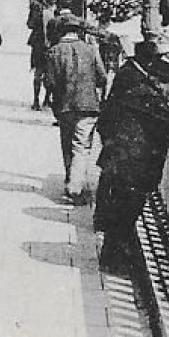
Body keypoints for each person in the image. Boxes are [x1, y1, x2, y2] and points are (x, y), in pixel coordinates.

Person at [92, 40, 169, 270]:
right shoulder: (147, 97)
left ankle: (112, 258)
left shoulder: (136, 92)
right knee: (124, 215)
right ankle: (115, 261)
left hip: (118, 161)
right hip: (130, 167)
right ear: (158, 82)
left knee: (117, 214)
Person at [45, 13, 107, 201]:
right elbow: (102, 78)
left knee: (66, 142)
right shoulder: (90, 50)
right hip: (88, 104)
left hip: (64, 105)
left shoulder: (53, 52)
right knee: (81, 146)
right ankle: (75, 186)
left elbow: (49, 82)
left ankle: (71, 178)